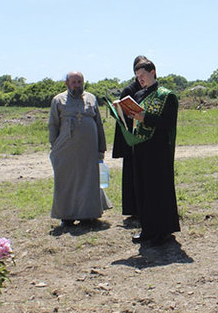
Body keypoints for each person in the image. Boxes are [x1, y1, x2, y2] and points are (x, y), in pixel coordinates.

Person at [48, 71, 111, 226]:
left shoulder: (91, 98)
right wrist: (55, 146)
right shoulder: (58, 100)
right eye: (74, 82)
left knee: (88, 180)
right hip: (66, 150)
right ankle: (67, 217)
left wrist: (101, 147)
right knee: (66, 181)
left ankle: (87, 215)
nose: (77, 85)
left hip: (88, 150)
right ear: (67, 83)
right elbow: (53, 125)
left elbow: (99, 124)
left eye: (79, 82)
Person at [128, 59, 180, 245]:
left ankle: (163, 231)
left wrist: (145, 118)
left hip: (158, 149)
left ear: (153, 72)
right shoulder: (140, 94)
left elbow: (167, 123)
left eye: (142, 75)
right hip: (141, 147)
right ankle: (147, 228)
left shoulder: (168, 96)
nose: (140, 79)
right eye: (137, 77)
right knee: (142, 189)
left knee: (158, 190)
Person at [112, 55, 148, 219]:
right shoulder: (129, 90)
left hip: (147, 137)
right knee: (131, 174)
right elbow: (122, 115)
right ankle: (132, 210)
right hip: (131, 137)